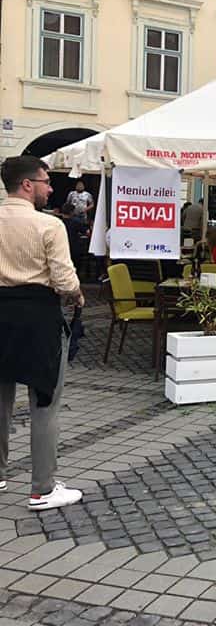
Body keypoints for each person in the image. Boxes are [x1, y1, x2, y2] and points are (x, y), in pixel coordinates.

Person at [0, 155, 84, 511]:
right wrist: (78, 297)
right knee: (44, 401)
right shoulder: (49, 226)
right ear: (28, 185)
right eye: (47, 182)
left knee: (0, 399)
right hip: (37, 316)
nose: (52, 188)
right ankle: (43, 488)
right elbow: (65, 280)